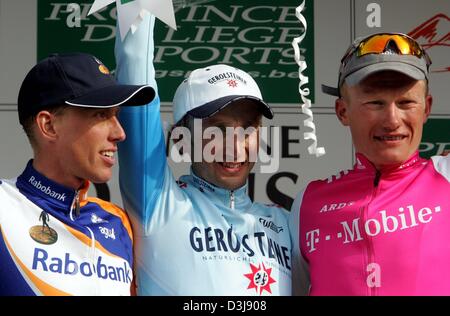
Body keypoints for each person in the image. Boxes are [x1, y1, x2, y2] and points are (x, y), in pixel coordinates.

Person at [115, 14, 292, 295]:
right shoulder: (158, 205)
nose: (236, 146)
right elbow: (135, 75)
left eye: (248, 128)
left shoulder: (286, 226)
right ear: (181, 139)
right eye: (218, 130)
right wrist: (139, 8)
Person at [289, 32, 450, 295]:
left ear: (427, 108)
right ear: (343, 111)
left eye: (406, 102)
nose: (392, 119)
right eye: (375, 103)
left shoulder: (446, 176)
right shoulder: (308, 203)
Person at [0, 52, 155, 295]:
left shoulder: (119, 223)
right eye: (101, 115)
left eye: (116, 115)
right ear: (49, 126)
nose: (119, 133)